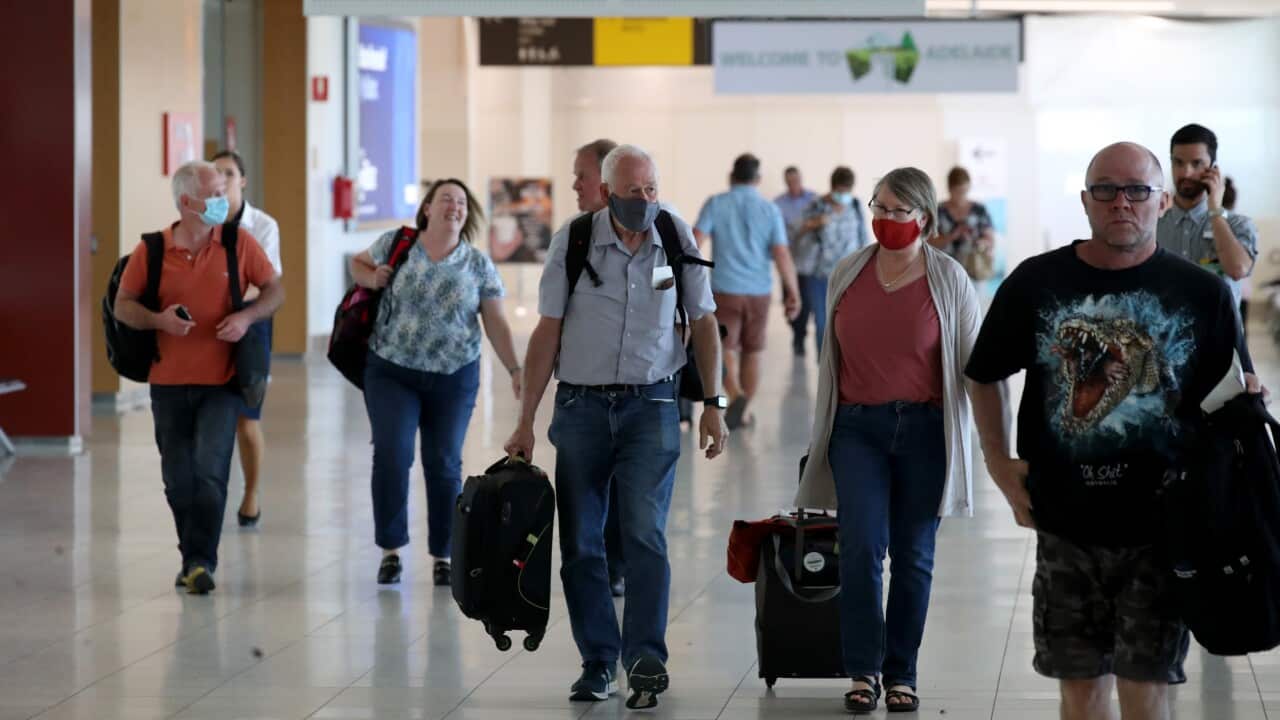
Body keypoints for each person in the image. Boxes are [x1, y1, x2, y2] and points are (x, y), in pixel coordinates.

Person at [966, 142, 1252, 720]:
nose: (1122, 202)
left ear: (1162, 200)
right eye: (1106, 190)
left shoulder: (1201, 293)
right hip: (1065, 522)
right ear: (1086, 200)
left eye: (1137, 190)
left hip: (1163, 527)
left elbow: (1234, 400)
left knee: (1147, 695)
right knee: (1080, 692)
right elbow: (985, 373)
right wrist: (998, 463)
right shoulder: (1035, 281)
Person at [504, 144, 729, 711]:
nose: (645, 201)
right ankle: (598, 661)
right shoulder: (575, 241)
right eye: (634, 193)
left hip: (652, 406)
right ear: (607, 194)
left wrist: (713, 402)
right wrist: (525, 420)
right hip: (580, 409)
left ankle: (646, 656)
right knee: (581, 543)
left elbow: (704, 323)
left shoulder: (675, 237)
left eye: (652, 190)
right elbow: (546, 333)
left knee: (644, 534)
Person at [796, 167, 980, 715]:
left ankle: (902, 672)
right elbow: (831, 358)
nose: (885, 219)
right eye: (878, 207)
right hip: (857, 430)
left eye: (898, 211)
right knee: (860, 547)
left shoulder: (948, 279)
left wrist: (997, 443)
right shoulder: (848, 272)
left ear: (923, 217)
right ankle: (863, 669)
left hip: (925, 431)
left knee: (915, 555)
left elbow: (974, 364)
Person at [113, 160, 284, 595]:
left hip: (222, 381)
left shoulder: (237, 243)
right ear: (188, 202)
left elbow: (275, 290)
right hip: (167, 382)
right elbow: (123, 305)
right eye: (214, 192)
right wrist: (158, 320)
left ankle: (199, 561)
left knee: (210, 472)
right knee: (178, 477)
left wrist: (246, 317)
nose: (223, 198)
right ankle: (192, 555)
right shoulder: (151, 251)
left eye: (225, 188)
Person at [350, 179, 522, 587]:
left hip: (454, 374)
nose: (455, 206)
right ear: (427, 208)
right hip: (392, 368)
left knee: (444, 463)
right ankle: (391, 549)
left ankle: (444, 553)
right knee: (392, 454)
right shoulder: (398, 243)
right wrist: (373, 277)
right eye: (446, 198)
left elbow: (495, 321)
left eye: (462, 202)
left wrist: (515, 369)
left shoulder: (478, 264)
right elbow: (358, 263)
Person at [694, 153, 801, 429]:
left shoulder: (717, 203)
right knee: (753, 351)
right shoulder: (770, 210)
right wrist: (793, 291)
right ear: (758, 179)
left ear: (732, 176)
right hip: (759, 292)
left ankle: (735, 395)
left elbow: (695, 240)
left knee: (724, 348)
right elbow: (781, 253)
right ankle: (743, 412)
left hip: (725, 289)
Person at [211, 150, 281, 529]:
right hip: (209, 326)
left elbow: (263, 283)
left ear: (243, 180)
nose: (221, 179)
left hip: (251, 326)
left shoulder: (263, 225)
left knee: (245, 418)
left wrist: (232, 305)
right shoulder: (199, 223)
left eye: (228, 172)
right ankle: (211, 494)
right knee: (211, 413)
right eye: (214, 173)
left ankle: (251, 493)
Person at [571, 137, 628, 600]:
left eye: (582, 176)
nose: (575, 184)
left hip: (642, 397)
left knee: (630, 495)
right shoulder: (572, 239)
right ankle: (596, 568)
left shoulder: (663, 235)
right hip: (584, 398)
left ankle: (618, 565)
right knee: (588, 496)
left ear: (606, 185)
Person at [1156, 124, 1258, 315]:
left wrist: (1215, 211)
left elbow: (1238, 269)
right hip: (1166, 341)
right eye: (1178, 162)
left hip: (1219, 341)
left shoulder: (1239, 225)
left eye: (1196, 164)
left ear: (1213, 169)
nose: (1186, 173)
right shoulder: (1154, 226)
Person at [788, 165, 869, 356]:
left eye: (847, 191)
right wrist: (813, 223)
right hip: (819, 275)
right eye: (840, 191)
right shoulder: (816, 206)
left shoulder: (855, 206)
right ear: (832, 188)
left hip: (849, 275)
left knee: (848, 322)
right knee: (823, 322)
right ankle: (824, 366)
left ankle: (843, 365)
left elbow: (863, 239)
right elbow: (793, 233)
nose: (844, 196)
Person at [931, 166, 996, 280]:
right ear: (949, 188)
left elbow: (989, 240)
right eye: (958, 191)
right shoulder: (938, 211)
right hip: (943, 272)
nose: (961, 195)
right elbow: (928, 243)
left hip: (974, 269)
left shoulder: (979, 210)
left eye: (964, 191)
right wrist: (952, 236)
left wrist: (977, 241)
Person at [774, 165, 818, 241]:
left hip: (811, 245)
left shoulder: (814, 198)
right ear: (785, 181)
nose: (793, 184)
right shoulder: (778, 203)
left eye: (795, 180)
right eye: (789, 182)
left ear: (801, 179)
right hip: (790, 245)